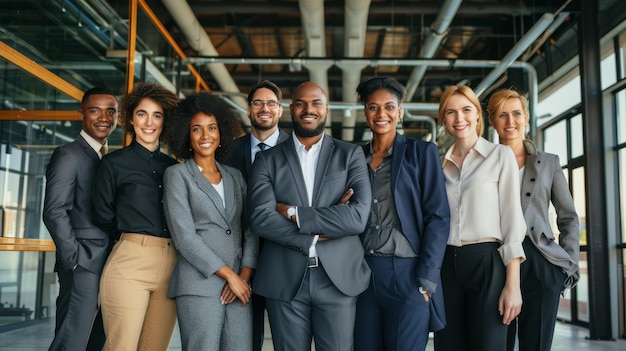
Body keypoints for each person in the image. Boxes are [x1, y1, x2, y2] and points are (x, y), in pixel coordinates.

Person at [247, 81, 372, 351]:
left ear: (326, 109)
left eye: (316, 103)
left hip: (338, 280)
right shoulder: (267, 160)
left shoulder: (350, 155)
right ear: (291, 109)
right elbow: (260, 218)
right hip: (284, 278)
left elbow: (357, 218)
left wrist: (293, 213)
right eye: (301, 103)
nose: (308, 109)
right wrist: (318, 231)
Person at [353, 77, 450, 351]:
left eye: (389, 107)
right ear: (365, 112)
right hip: (362, 274)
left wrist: (427, 280)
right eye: (373, 107)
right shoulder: (353, 158)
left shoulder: (421, 153)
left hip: (408, 274)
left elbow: (438, 216)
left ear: (400, 111)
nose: (381, 114)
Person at [162, 92, 259, 350]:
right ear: (186, 135)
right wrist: (229, 275)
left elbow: (250, 229)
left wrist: (244, 275)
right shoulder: (177, 175)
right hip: (199, 284)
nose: (206, 136)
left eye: (212, 128)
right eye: (197, 129)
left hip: (239, 285)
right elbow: (184, 237)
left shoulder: (235, 176)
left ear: (222, 132)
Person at [434, 85, 527, 351]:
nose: (459, 118)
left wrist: (513, 285)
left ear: (477, 115)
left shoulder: (500, 156)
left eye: (466, 110)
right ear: (443, 120)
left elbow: (512, 222)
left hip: (487, 264)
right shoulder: (439, 166)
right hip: (446, 267)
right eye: (450, 112)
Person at [486, 88, 580, 351]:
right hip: (496, 258)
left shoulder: (548, 163)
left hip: (541, 261)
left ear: (526, 117)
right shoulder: (484, 164)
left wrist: (567, 265)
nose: (510, 121)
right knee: (495, 342)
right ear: (493, 121)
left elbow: (569, 217)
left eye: (516, 114)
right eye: (502, 115)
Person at [91, 82, 179, 351]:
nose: (149, 122)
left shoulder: (174, 169)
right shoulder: (113, 164)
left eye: (157, 115)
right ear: (131, 118)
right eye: (142, 114)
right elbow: (102, 215)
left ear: (165, 121)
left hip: (172, 266)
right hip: (130, 262)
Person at [43, 87, 118, 351]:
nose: (104, 117)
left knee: (95, 340)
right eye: (95, 110)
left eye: (111, 111)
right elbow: (54, 210)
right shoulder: (69, 154)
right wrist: (74, 260)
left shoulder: (104, 157)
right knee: (71, 339)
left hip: (105, 261)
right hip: (83, 262)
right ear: (81, 114)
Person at [228, 79, 290, 351]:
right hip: (237, 262)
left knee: (287, 341)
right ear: (249, 109)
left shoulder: (299, 151)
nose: (264, 108)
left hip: (284, 260)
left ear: (280, 110)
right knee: (243, 342)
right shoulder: (226, 151)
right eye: (258, 103)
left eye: (271, 103)